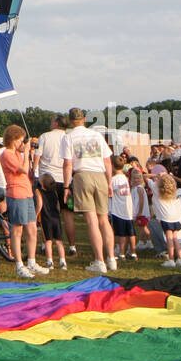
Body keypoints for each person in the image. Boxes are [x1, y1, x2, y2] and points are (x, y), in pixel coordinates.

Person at [60, 109, 116, 276]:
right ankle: (111, 258)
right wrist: (109, 182)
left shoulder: (68, 137)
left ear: (71, 121)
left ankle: (99, 260)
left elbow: (68, 164)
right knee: (104, 219)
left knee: (92, 221)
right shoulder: (97, 135)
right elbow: (107, 161)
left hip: (82, 175)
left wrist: (65, 186)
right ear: (83, 119)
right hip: (100, 175)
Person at [0, 125, 49, 279]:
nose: (22, 143)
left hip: (26, 192)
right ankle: (19, 264)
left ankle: (32, 261)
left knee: (32, 228)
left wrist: (27, 152)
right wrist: (27, 152)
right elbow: (22, 169)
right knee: (17, 229)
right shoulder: (7, 154)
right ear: (13, 139)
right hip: (16, 192)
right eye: (20, 140)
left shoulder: (17, 153)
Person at [37, 114, 76, 255]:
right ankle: (72, 246)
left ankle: (44, 244)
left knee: (46, 213)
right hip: (67, 181)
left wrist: (36, 175)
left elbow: (37, 157)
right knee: (68, 213)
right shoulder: (69, 137)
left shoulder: (44, 137)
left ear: (56, 123)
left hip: (48, 180)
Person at [109, 156, 137, 261]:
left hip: (118, 210)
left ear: (112, 166)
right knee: (131, 232)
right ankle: (133, 252)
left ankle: (121, 253)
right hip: (128, 209)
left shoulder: (114, 179)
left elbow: (110, 192)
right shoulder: (125, 178)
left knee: (121, 233)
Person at [153, 174, 181, 267]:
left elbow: (146, 178)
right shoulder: (173, 192)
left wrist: (157, 176)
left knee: (169, 238)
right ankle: (180, 259)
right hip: (175, 217)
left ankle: (171, 259)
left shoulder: (157, 190)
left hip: (166, 218)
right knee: (175, 238)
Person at [38, 173, 67, 269]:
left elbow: (40, 204)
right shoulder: (54, 192)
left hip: (46, 219)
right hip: (56, 218)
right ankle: (63, 261)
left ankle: (50, 261)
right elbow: (58, 205)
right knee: (59, 241)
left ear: (42, 184)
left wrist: (35, 215)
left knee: (48, 241)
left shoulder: (39, 192)